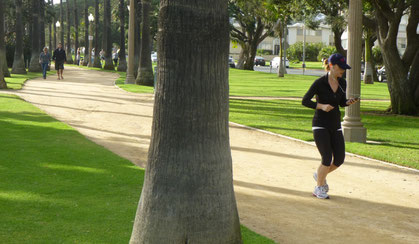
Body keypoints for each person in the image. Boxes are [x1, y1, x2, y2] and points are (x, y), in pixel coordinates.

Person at [302, 53, 359, 199]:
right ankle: (319, 188)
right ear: (332, 66)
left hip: (335, 124)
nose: (343, 72)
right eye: (341, 69)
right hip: (320, 124)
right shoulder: (319, 83)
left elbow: (340, 102)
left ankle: (320, 175)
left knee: (339, 159)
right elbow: (305, 101)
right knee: (326, 158)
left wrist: (348, 102)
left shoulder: (342, 82)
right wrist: (321, 106)